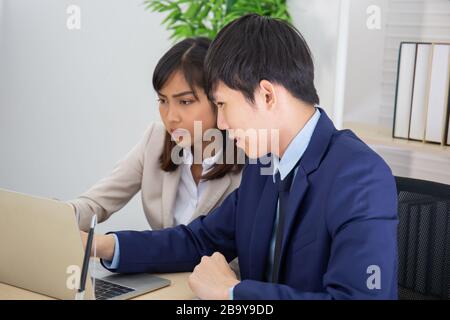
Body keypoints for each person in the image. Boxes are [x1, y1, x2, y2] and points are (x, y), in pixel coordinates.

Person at [82, 14, 398, 300]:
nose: (220, 124)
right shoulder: (263, 166)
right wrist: (103, 245)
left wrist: (232, 291)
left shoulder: (359, 175)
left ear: (267, 95)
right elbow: (199, 240)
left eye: (222, 105)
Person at [68, 37, 243, 232]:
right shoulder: (155, 140)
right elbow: (95, 203)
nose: (171, 117)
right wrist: (52, 215)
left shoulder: (249, 154)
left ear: (217, 99)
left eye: (185, 102)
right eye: (162, 100)